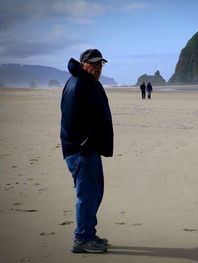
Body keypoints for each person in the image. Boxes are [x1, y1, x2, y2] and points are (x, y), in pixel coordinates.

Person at [60, 49, 114, 253]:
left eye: (101, 64)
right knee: (87, 195)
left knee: (95, 194)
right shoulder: (79, 84)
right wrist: (84, 143)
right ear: (83, 64)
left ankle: (88, 233)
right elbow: (70, 118)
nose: (98, 68)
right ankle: (82, 239)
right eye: (94, 64)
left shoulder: (88, 82)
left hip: (89, 149)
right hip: (81, 151)